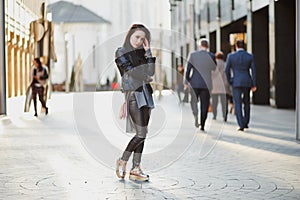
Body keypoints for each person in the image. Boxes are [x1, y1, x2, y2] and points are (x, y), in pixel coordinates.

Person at [114, 24, 156, 181]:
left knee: (143, 133)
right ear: (130, 35)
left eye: (142, 39)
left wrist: (149, 52)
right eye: (137, 37)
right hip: (133, 94)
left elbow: (151, 72)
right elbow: (130, 71)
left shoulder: (143, 54)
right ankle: (123, 160)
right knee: (141, 133)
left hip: (146, 94)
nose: (139, 41)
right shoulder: (121, 51)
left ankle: (135, 169)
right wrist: (145, 75)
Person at [185, 39, 216, 131]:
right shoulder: (211, 55)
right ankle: (202, 124)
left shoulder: (193, 55)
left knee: (193, 101)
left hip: (194, 82)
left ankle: (195, 115)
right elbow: (214, 68)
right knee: (204, 104)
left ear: (199, 45)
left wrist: (186, 81)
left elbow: (188, 69)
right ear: (208, 46)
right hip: (206, 84)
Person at [225, 39, 257, 131]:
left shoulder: (231, 56)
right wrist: (253, 83)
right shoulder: (250, 56)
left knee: (237, 103)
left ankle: (241, 124)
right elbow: (254, 71)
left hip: (236, 82)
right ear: (244, 46)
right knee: (247, 102)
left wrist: (230, 80)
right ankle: (246, 122)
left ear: (236, 46)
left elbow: (226, 70)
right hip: (247, 81)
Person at [211, 51, 229, 121]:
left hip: (214, 85)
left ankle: (214, 115)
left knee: (214, 101)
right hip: (224, 85)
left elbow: (211, 74)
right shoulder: (225, 64)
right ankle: (225, 116)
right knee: (224, 102)